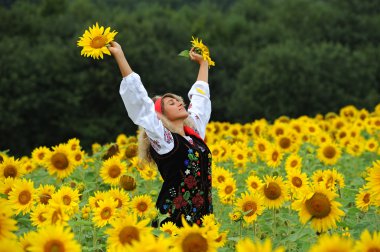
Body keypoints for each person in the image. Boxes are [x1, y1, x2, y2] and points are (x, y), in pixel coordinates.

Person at [108, 41, 213, 227]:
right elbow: (141, 104)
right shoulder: (166, 141)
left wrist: (204, 64)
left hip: (202, 220)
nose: (179, 102)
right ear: (162, 117)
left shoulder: (193, 134)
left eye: (178, 100)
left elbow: (200, 100)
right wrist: (120, 56)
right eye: (171, 103)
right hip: (172, 222)